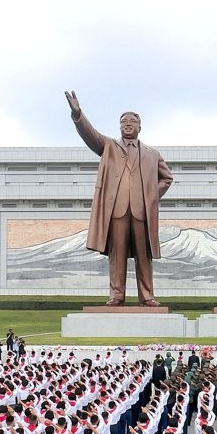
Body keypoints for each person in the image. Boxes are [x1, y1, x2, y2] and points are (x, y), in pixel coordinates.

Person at [65, 90, 173, 307]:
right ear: (119, 126)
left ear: (140, 127)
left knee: (144, 255)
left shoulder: (152, 154)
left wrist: (151, 196)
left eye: (133, 121)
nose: (128, 124)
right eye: (124, 121)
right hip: (117, 211)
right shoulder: (109, 147)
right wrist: (78, 114)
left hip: (141, 212)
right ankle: (116, 295)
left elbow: (167, 178)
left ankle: (147, 296)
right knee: (117, 255)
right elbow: (90, 135)